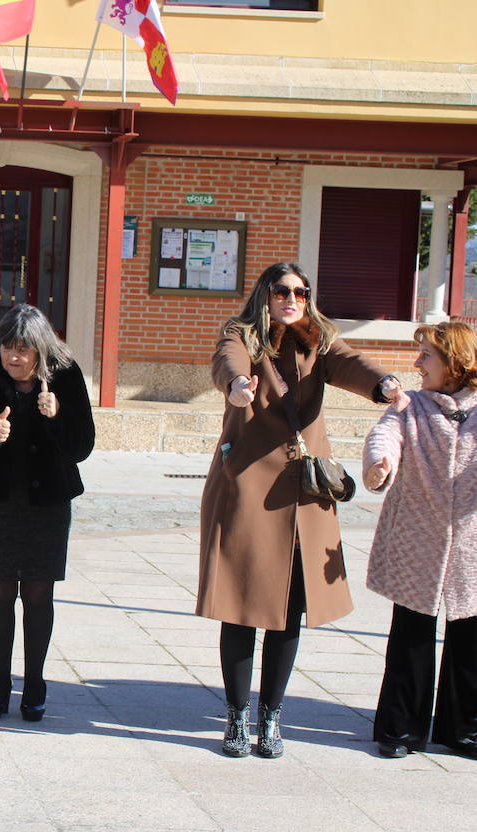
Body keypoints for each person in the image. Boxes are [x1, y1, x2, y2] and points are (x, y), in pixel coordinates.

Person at [197, 262, 403, 759]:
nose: (293, 299)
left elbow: (352, 363)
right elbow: (228, 361)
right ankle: (235, 717)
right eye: (284, 291)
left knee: (289, 612)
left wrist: (384, 384)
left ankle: (271, 718)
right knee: (241, 609)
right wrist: (236, 387)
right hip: (248, 486)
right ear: (265, 295)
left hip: (305, 491)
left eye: (302, 292)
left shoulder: (319, 341)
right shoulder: (241, 336)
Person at [0, 305, 95, 723]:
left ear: (41, 350)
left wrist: (56, 415)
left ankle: (35, 683)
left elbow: (82, 446)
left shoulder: (65, 374)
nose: (14, 357)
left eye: (23, 350)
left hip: (46, 504)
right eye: (8, 348)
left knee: (37, 595)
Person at [363, 321, 477, 759]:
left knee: (469, 636)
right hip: (417, 535)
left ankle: (463, 729)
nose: (417, 363)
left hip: (470, 541)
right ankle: (400, 731)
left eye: (426, 355)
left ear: (454, 361)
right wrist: (380, 462)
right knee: (411, 633)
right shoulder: (409, 406)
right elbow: (384, 435)